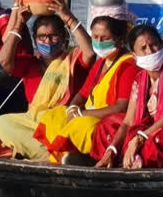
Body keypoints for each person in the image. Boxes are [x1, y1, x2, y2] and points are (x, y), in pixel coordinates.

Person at [0, 0, 94, 160]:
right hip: (33, 122)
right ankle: (53, 154)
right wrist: (18, 24)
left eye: (53, 36)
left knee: (53, 119)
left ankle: (45, 152)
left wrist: (68, 17)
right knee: (2, 123)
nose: (47, 41)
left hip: (62, 121)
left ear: (63, 37)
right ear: (34, 39)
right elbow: (4, 60)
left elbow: (90, 53)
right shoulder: (30, 63)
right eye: (41, 37)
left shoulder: (72, 60)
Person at [93, 24, 163, 169]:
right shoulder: (139, 79)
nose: (150, 51)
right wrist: (111, 150)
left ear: (162, 44)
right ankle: (111, 159)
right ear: (134, 55)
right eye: (143, 48)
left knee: (159, 139)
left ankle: (136, 160)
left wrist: (141, 137)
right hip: (146, 130)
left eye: (154, 45)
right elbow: (128, 121)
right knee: (106, 125)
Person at [34, 15, 138, 164]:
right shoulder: (101, 62)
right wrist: (72, 108)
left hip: (109, 121)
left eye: (105, 38)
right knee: (54, 115)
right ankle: (62, 153)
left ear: (120, 39)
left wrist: (83, 113)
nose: (99, 43)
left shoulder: (129, 65)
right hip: (88, 112)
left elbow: (122, 107)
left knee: (81, 125)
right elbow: (82, 93)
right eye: (95, 37)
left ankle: (82, 156)